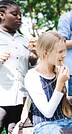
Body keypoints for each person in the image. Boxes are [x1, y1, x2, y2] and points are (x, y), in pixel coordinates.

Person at [24, 31, 72, 134]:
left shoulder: (59, 71)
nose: (64, 56)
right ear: (46, 53)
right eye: (60, 52)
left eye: (65, 51)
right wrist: (59, 84)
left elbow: (60, 101)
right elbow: (48, 112)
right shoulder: (32, 76)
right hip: (45, 125)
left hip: (67, 120)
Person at [0, 0, 38, 133]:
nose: (19, 17)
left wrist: (35, 54)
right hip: (1, 99)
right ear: (1, 15)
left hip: (20, 98)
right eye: (14, 14)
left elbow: (31, 65)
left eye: (20, 14)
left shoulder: (24, 40)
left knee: (17, 132)